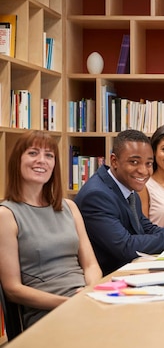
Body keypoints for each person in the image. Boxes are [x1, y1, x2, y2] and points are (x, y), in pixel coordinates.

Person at [0, 131, 102, 329]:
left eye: (49, 155)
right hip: (48, 313)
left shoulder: (69, 207)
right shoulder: (6, 215)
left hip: (86, 300)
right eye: (33, 153)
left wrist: (89, 292)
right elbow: (12, 289)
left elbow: (91, 265)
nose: (41, 161)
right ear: (17, 160)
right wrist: (68, 304)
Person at [74, 129, 164, 275]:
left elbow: (147, 229)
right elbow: (125, 247)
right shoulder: (97, 195)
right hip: (110, 279)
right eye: (134, 162)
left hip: (134, 270)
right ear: (114, 161)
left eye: (148, 164)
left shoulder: (127, 189)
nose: (143, 171)